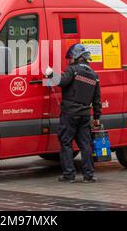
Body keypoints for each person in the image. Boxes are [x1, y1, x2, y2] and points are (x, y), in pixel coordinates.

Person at [45, 44, 102, 183]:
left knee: (66, 142)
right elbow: (97, 100)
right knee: (85, 145)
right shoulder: (94, 75)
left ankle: (69, 175)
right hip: (84, 115)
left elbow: (61, 82)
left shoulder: (73, 70)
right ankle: (88, 175)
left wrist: (50, 73)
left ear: (76, 56)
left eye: (70, 58)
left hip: (70, 114)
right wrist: (96, 118)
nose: (68, 61)